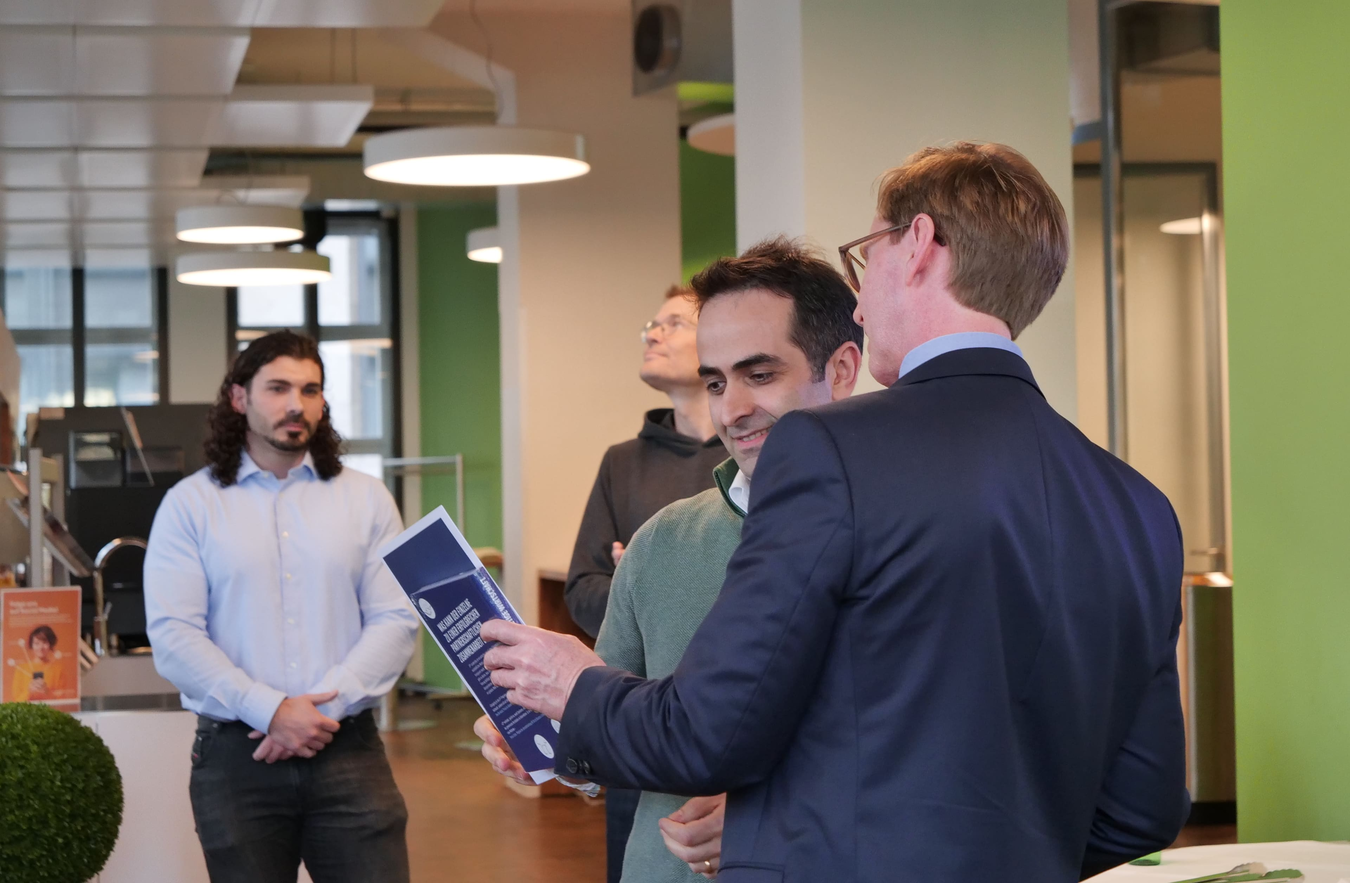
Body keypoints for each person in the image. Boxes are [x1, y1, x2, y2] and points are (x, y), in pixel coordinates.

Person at [476, 142, 1190, 882]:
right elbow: (1141, 811)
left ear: (917, 244)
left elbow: (705, 733)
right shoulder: (1137, 507)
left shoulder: (828, 448)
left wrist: (574, 685)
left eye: (865, 256)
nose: (858, 300)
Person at [593, 238, 862, 882]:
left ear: (842, 370)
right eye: (716, 382)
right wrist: (540, 742)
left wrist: (772, 807)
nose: (732, 411)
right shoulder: (660, 542)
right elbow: (603, 727)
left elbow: (940, 759)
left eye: (760, 376)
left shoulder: (914, 534)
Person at [144, 331, 419, 883]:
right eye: (278, 388)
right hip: (235, 759)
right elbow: (175, 634)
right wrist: (270, 711)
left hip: (348, 749)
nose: (296, 404)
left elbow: (395, 618)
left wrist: (316, 715)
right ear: (239, 398)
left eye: (310, 390)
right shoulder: (190, 505)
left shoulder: (367, 498)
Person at [565, 283, 728, 883]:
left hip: (727, 721)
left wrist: (656, 574)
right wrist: (645, 580)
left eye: (674, 323)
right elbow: (582, 586)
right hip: (636, 720)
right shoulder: (622, 462)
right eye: (650, 325)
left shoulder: (753, 457)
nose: (654, 334)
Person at [11, 625, 62, 702]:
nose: (41, 647)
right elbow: (16, 701)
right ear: (31, 645)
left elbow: (62, 701)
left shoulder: (58, 670)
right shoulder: (21, 669)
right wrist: (29, 691)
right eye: (36, 643)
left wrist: (47, 692)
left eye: (45, 643)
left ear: (50, 644)